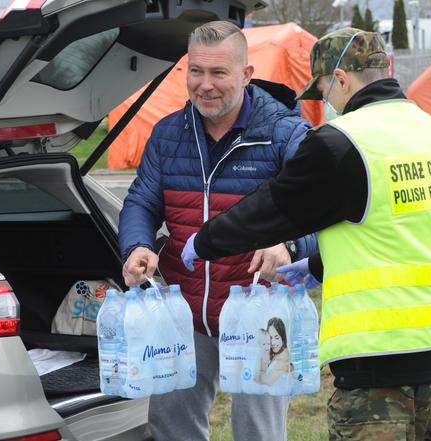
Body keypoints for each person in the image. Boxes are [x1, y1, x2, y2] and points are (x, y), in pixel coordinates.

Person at [182, 28, 431, 441]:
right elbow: (404, 227)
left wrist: (205, 241)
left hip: (378, 357)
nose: (326, 104)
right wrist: (319, 264)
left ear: (339, 80)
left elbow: (274, 208)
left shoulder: (343, 141)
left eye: (322, 92)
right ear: (386, 68)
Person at [118, 21, 317, 441]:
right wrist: (136, 245)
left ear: (246, 75)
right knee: (172, 427)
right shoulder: (168, 133)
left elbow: (322, 211)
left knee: (258, 433)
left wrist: (291, 245)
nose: (204, 85)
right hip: (184, 312)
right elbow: (141, 201)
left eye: (219, 73)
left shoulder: (285, 133)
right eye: (196, 71)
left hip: (262, 315)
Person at [254, 317, 292, 386]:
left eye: (276, 338)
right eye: (270, 338)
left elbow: (268, 382)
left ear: (282, 338)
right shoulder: (271, 352)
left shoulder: (283, 357)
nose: (273, 342)